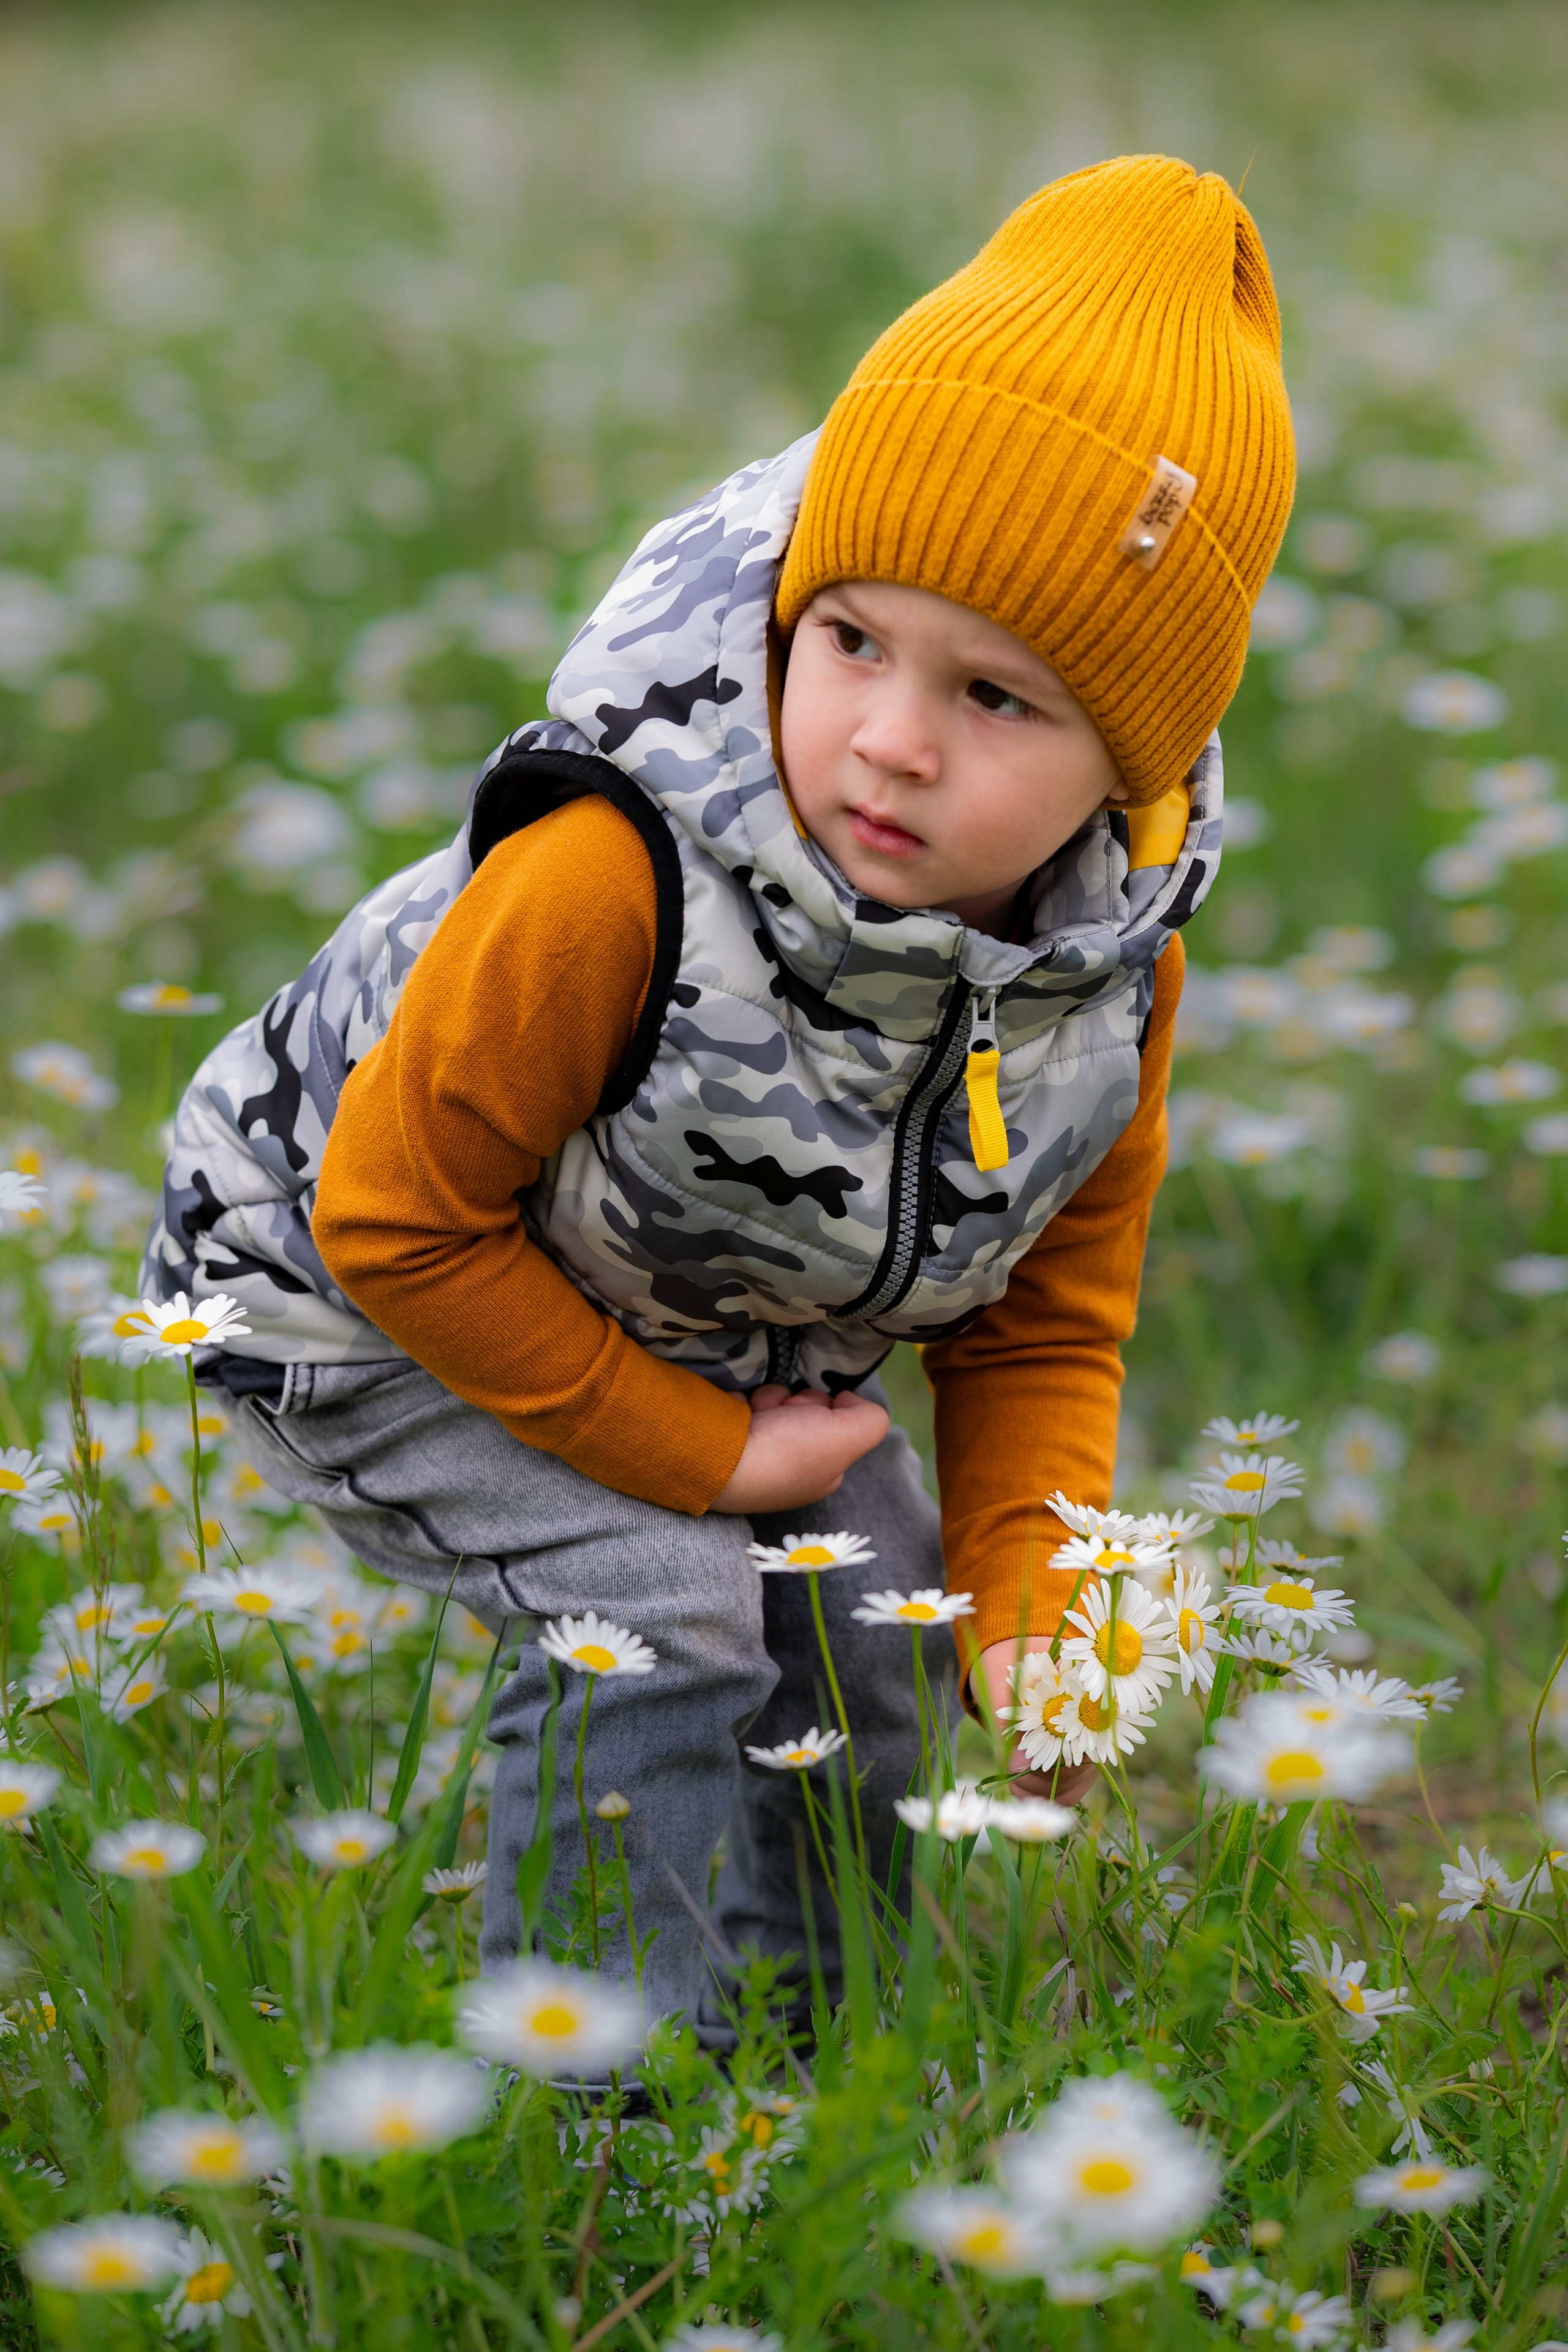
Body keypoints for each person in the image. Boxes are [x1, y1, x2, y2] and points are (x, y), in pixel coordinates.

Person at [144, 153, 1294, 2029]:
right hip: (342, 1278)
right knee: (664, 1604)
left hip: (691, 1311)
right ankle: (607, 2106)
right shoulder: (614, 880)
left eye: (997, 699)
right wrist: (701, 1457)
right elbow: (395, 1219)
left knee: (878, 1609)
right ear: (791, 613)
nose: (892, 742)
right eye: (854, 641)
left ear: (1132, 764)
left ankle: (807, 2065)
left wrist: (1037, 1609)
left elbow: (1043, 1325)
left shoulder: (1108, 986)